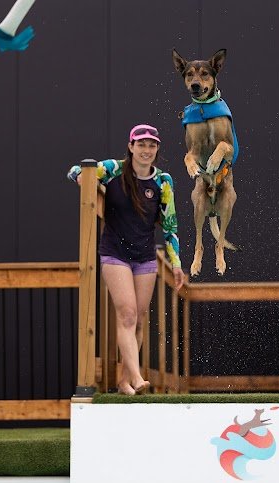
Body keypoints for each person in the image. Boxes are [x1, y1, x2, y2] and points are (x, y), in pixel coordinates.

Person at [68, 124, 184, 395]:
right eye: (141, 144)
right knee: (127, 314)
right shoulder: (114, 169)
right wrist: (82, 180)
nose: (146, 150)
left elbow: (170, 225)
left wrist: (176, 263)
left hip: (145, 257)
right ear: (131, 147)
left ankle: (123, 381)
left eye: (152, 145)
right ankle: (137, 377)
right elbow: (75, 170)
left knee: (139, 320)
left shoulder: (163, 181)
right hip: (115, 253)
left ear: (157, 150)